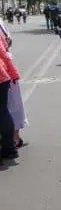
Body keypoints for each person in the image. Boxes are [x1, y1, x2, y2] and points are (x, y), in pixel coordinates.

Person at [0, 31, 20, 164]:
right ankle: (9, 149)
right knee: (3, 112)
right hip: (2, 76)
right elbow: (4, 53)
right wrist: (13, 73)